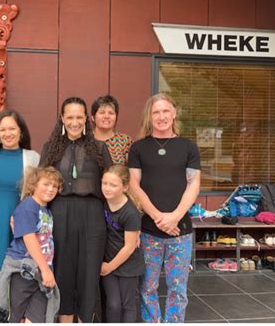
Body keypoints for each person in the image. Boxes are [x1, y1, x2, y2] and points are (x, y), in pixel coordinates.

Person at [128, 93, 201, 323]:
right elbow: (134, 185)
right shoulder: (138, 148)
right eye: (156, 112)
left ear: (174, 113)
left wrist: (175, 217)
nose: (161, 117)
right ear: (150, 116)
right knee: (147, 288)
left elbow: (194, 184)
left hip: (181, 231)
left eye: (165, 111)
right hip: (148, 230)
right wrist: (159, 217)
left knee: (177, 289)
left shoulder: (188, 147)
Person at [40, 96, 113, 323]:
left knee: (89, 274)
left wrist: (126, 222)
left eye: (79, 117)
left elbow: (111, 186)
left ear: (86, 119)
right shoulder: (50, 148)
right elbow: (40, 185)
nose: (74, 122)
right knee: (63, 272)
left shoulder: (100, 148)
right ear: (62, 118)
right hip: (60, 214)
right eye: (69, 117)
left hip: (92, 216)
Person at [0, 109, 40, 317]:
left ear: (21, 132)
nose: (7, 133)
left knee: (18, 278)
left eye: (12, 128)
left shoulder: (32, 158)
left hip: (19, 228)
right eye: (3, 129)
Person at [0, 166, 63, 323]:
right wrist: (46, 270)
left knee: (37, 318)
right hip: (23, 272)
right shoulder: (27, 207)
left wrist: (45, 271)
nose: (51, 189)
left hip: (39, 275)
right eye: (46, 184)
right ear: (33, 184)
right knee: (14, 318)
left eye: (55, 186)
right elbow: (30, 240)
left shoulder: (45, 211)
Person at [100, 164, 144, 323]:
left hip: (127, 264)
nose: (107, 188)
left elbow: (129, 247)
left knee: (127, 304)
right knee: (113, 305)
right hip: (108, 260)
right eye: (104, 183)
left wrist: (109, 266)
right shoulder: (103, 201)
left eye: (113, 185)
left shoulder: (130, 212)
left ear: (125, 187)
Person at [91, 95, 132, 165]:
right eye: (102, 112)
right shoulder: (84, 140)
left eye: (111, 113)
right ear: (93, 117)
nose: (106, 116)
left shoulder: (125, 141)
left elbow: (132, 170)